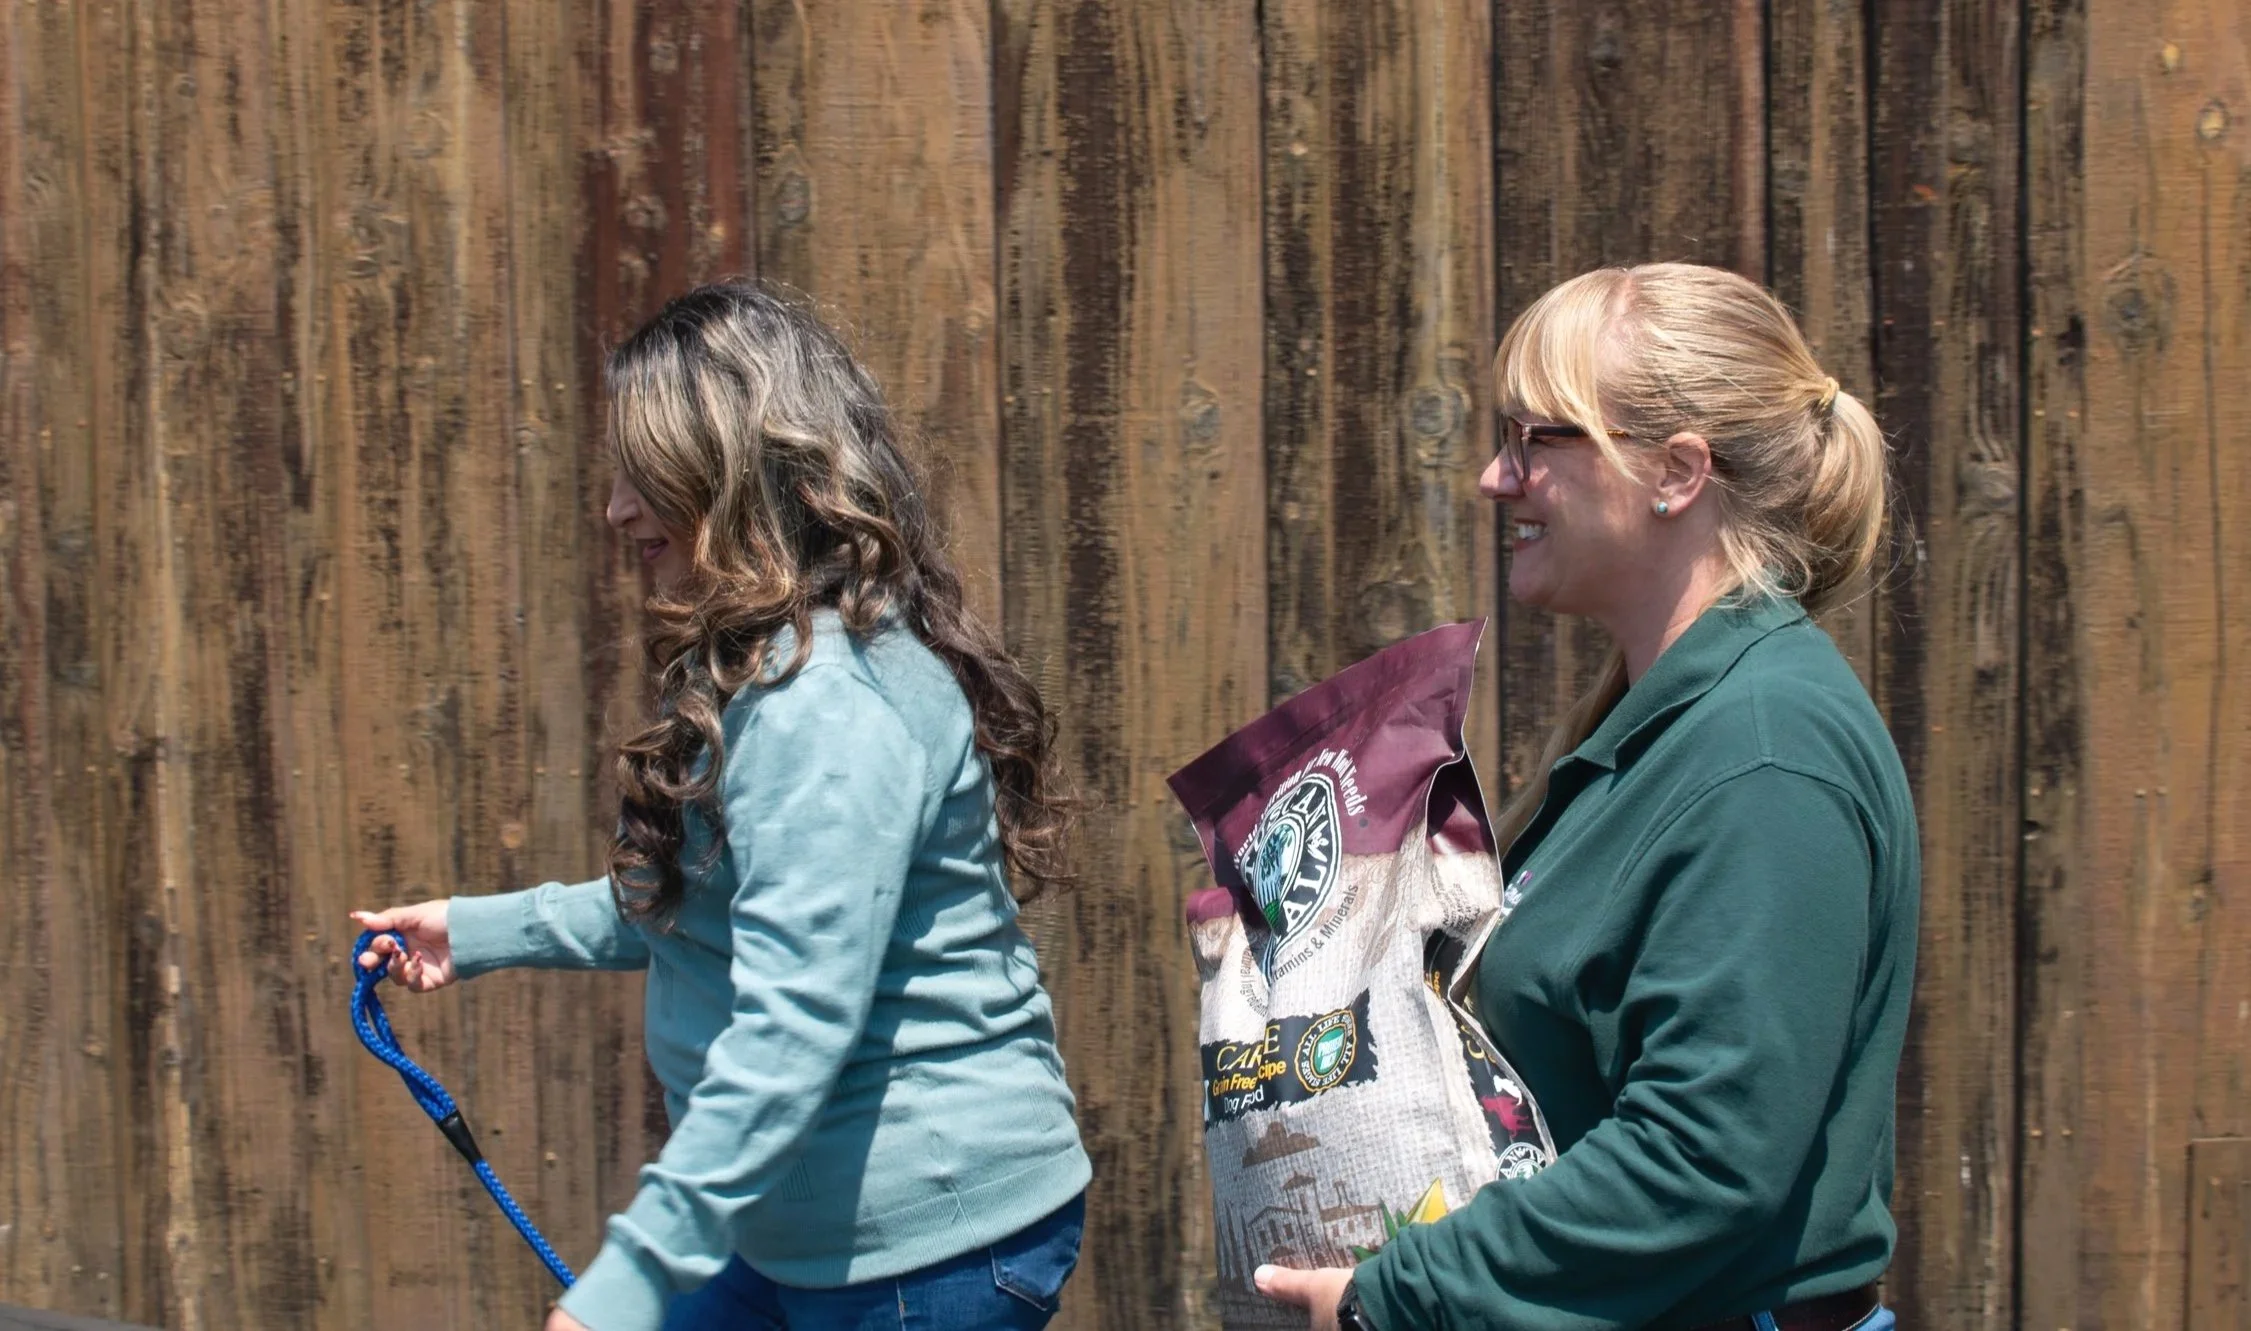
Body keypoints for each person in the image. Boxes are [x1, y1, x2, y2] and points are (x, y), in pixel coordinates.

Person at [351, 282, 1092, 1331]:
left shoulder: (822, 711)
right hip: (794, 1231)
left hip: (921, 1252)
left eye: (642, 474)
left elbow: (792, 1027)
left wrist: (625, 1282)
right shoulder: (768, 667)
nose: (614, 508)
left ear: (737, 472)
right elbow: (702, 900)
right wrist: (477, 930)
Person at [1256, 262, 1919, 1331]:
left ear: (1675, 472)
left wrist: (1397, 1298)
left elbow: (1703, 1157)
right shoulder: (1671, 715)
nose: (1492, 476)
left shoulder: (1763, 753)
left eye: (1535, 440)